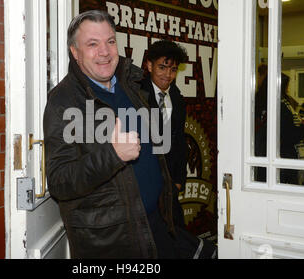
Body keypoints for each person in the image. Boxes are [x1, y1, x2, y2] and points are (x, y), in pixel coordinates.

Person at [43, 10, 215, 258]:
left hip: (157, 223)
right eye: (92, 44)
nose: (105, 51)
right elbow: (60, 182)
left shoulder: (129, 84)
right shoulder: (64, 102)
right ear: (74, 52)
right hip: (115, 242)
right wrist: (113, 154)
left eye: (110, 41)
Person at [139, 40, 188, 228]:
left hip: (171, 187)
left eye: (173, 69)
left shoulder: (177, 98)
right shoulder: (137, 95)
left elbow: (180, 143)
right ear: (149, 65)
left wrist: (178, 181)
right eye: (162, 67)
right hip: (145, 184)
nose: (168, 75)